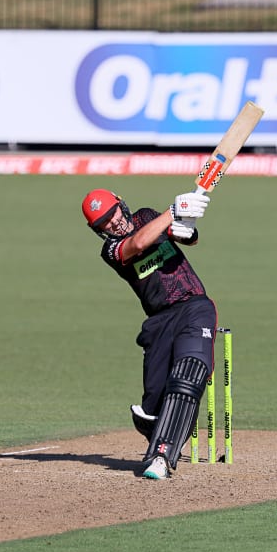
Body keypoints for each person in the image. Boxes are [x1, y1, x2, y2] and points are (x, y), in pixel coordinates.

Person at [80, 188, 215, 480]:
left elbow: (188, 239)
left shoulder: (146, 216)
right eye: (103, 222)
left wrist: (186, 226)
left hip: (194, 306)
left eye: (112, 213)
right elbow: (140, 242)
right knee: (152, 407)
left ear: (121, 205)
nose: (112, 223)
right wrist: (174, 210)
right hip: (159, 322)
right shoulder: (112, 250)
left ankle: (161, 457)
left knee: (188, 373)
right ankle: (159, 430)